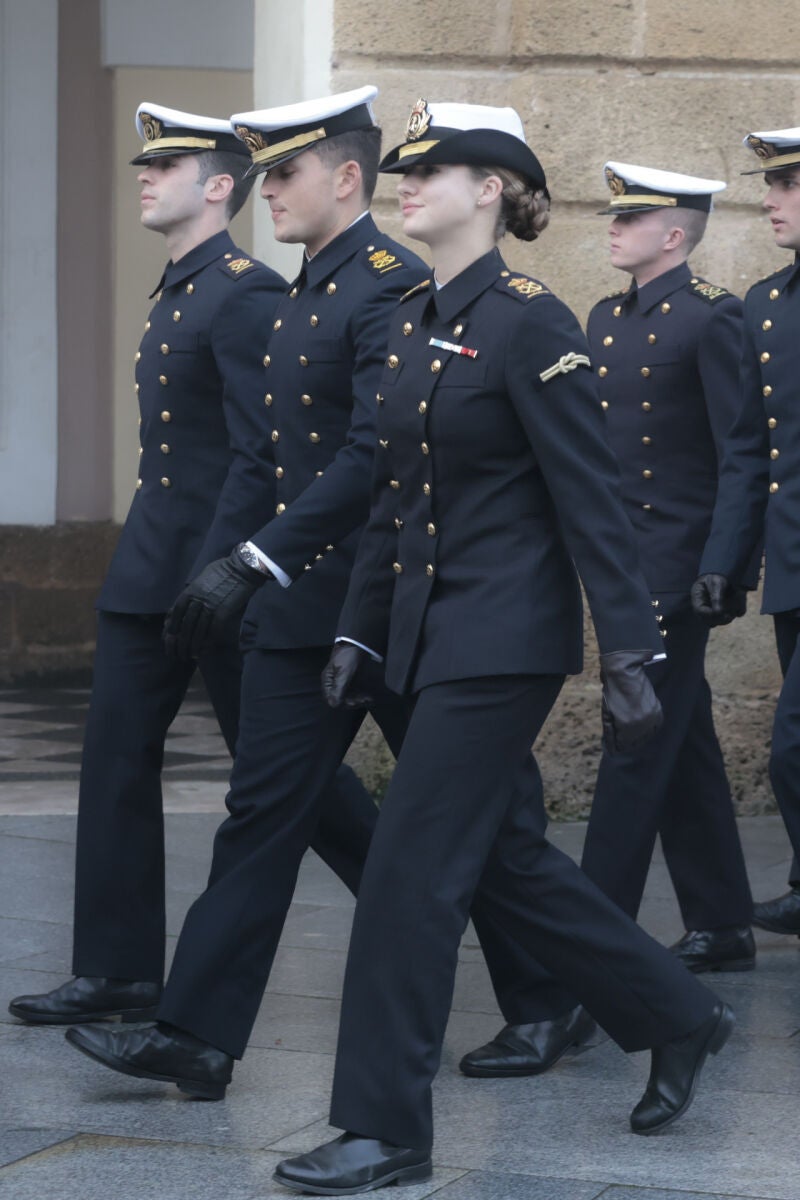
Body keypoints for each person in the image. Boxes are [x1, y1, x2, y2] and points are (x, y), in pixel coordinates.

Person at [274, 100, 734, 1197]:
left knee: (407, 874)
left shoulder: (530, 322)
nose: (410, 186)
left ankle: (385, 1130)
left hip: (503, 641)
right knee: (501, 859)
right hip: (426, 637)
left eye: (437, 173)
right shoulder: (412, 318)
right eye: (409, 172)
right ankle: (677, 1014)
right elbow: (395, 499)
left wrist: (631, 656)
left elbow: (594, 504)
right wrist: (355, 627)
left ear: (490, 192)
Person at [62, 86, 432, 1097]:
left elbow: (330, 457)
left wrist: (248, 562)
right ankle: (174, 1017)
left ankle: (577, 983)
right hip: (245, 583)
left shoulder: (327, 289)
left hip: (330, 590)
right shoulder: (276, 290)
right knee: (258, 808)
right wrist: (221, 562)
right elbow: (257, 453)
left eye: (286, 173)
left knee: (465, 829)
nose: (271, 192)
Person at [8, 102, 373, 1028]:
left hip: (218, 579)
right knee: (115, 758)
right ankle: (116, 970)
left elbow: (265, 452)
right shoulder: (179, 287)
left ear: (219, 187)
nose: (144, 175)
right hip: (151, 568)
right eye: (145, 164)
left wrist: (230, 573)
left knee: (294, 782)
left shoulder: (244, 291)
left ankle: (420, 908)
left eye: (165, 166)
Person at [457, 161, 757, 1083]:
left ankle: (588, 967)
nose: (614, 230)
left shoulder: (714, 316)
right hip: (618, 556)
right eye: (615, 218)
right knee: (686, 738)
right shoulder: (600, 319)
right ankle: (720, 916)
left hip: (673, 565)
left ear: (677, 233)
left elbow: (742, 452)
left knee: (633, 760)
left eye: (633, 220)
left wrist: (720, 566)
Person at [693, 125, 800, 937]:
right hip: (793, 569)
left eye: (789, 184)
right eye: (773, 183)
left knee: (790, 753)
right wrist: (727, 561)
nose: (771, 198)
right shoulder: (765, 305)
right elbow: (748, 449)